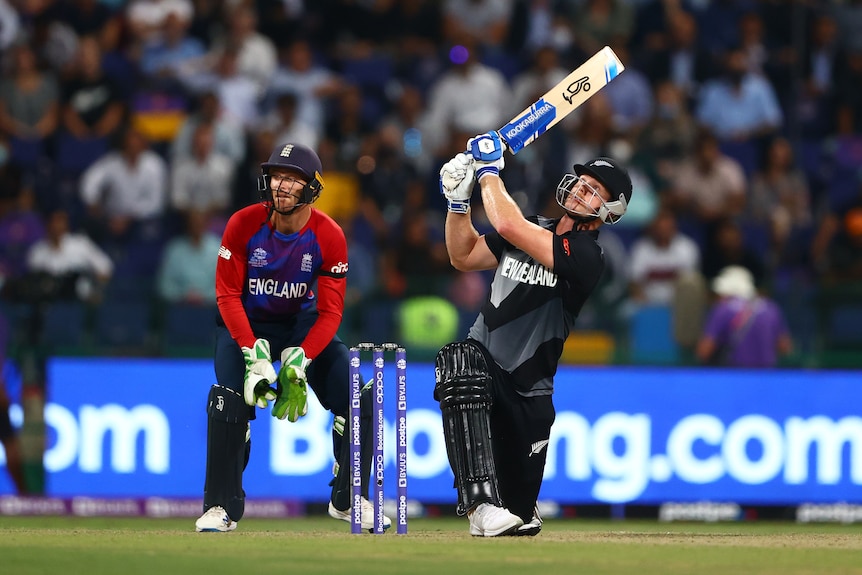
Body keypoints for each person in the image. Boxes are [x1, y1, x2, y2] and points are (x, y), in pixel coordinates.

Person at [435, 130, 633, 537]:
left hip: (529, 390)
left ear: (610, 210)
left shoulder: (588, 256)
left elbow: (506, 221)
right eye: (582, 181)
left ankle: (515, 505)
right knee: (460, 359)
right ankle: (478, 504)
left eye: (595, 190)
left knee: (520, 516)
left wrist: (488, 171)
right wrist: (457, 203)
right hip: (484, 361)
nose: (582, 190)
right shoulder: (531, 228)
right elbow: (463, 255)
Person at [195, 142, 390, 533]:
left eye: (292, 179)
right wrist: (252, 354)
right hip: (246, 326)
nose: (281, 186)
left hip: (301, 327)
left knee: (360, 396)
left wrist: (301, 358)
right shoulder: (242, 224)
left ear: (311, 189)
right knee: (228, 401)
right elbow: (227, 295)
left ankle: (350, 499)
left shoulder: (328, 235)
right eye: (276, 176)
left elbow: (331, 311)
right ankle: (220, 507)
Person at [695, 266, 792, 368]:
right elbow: (785, 347)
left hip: (736, 376)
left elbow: (704, 350)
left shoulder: (723, 309)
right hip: (767, 376)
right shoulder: (771, 308)